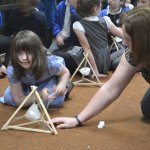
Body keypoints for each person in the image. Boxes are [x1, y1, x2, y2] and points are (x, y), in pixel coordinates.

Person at [50, 5, 150, 128]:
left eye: (128, 39)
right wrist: (78, 119)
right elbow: (110, 89)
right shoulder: (132, 53)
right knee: (147, 108)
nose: (123, 42)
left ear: (144, 41)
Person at [0, 30, 73, 108]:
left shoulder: (50, 63)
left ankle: (66, 87)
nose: (24, 58)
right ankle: (40, 99)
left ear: (38, 52)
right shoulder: (13, 69)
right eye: (19, 53)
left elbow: (65, 73)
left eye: (29, 52)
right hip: (27, 85)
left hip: (46, 82)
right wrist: (40, 95)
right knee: (8, 98)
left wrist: (61, 85)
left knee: (55, 99)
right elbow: (18, 100)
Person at [54, 0, 123, 76]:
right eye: (100, 6)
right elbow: (122, 35)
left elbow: (87, 49)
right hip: (105, 61)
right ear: (95, 9)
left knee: (56, 54)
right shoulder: (106, 20)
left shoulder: (77, 25)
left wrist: (95, 71)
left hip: (92, 63)